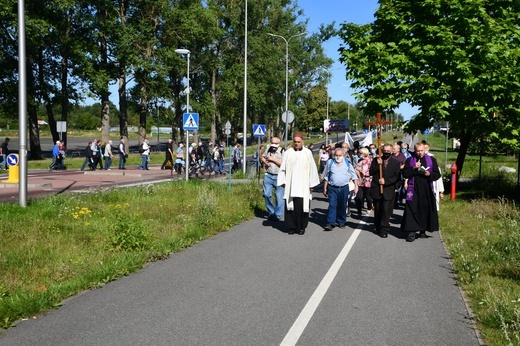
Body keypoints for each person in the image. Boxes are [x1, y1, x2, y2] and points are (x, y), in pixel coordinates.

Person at [277, 134, 320, 235]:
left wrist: (312, 184)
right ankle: (291, 227)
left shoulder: (307, 153)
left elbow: (313, 169)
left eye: (298, 142)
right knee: (290, 206)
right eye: (295, 142)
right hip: (291, 184)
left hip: (303, 185)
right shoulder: (288, 153)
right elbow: (282, 168)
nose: (296, 144)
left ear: (302, 142)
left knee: (302, 207)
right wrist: (282, 181)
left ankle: (301, 227)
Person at [401, 142, 441, 242]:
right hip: (413, 189)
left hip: (426, 188)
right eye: (418, 151)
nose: (419, 153)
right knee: (412, 209)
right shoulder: (410, 160)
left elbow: (437, 175)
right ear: (415, 151)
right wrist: (414, 168)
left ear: (425, 150)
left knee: (425, 208)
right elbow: (405, 174)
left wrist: (429, 174)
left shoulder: (431, 160)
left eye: (421, 151)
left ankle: (423, 230)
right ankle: (411, 232)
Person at [369, 143, 402, 238]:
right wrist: (377, 165)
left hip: (388, 190)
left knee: (386, 211)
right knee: (378, 210)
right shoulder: (376, 160)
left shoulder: (396, 163)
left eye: (388, 151)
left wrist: (385, 182)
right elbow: (371, 172)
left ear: (392, 151)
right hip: (377, 190)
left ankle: (384, 229)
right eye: (385, 151)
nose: (386, 152)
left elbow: (396, 177)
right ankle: (378, 226)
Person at [322, 148, 359, 230]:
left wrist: (356, 186)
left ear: (344, 156)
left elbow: (354, 175)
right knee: (332, 205)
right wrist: (325, 188)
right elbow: (326, 176)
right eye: (336, 155)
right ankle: (330, 223)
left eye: (340, 155)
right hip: (332, 188)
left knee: (342, 205)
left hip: (344, 188)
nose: (338, 157)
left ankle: (341, 221)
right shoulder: (330, 163)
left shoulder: (347, 163)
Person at [261, 137, 285, 222]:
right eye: (272, 143)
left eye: (275, 144)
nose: (273, 146)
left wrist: (272, 159)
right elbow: (263, 157)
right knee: (267, 194)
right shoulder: (268, 149)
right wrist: (265, 162)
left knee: (279, 198)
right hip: (268, 175)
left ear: (279, 144)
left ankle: (277, 215)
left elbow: (284, 164)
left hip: (279, 176)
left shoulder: (283, 151)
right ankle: (271, 212)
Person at [424, 143, 445, 211]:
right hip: (426, 188)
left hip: (434, 188)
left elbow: (439, 180)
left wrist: (441, 192)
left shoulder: (437, 169)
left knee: (433, 206)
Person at [354, 147, 373, 217]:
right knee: (358, 197)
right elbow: (356, 168)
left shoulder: (371, 161)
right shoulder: (360, 161)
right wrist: (360, 174)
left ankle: (369, 207)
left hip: (368, 180)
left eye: (360, 153)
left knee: (368, 197)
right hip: (361, 180)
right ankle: (359, 211)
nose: (359, 154)